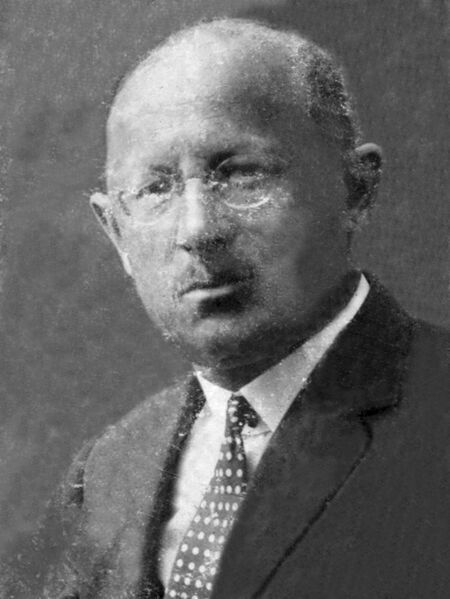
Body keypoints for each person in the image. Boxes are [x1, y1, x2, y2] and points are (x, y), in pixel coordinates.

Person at [12, 17, 450, 599]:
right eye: (155, 188)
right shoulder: (109, 471)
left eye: (242, 174)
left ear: (355, 188)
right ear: (115, 233)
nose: (198, 230)